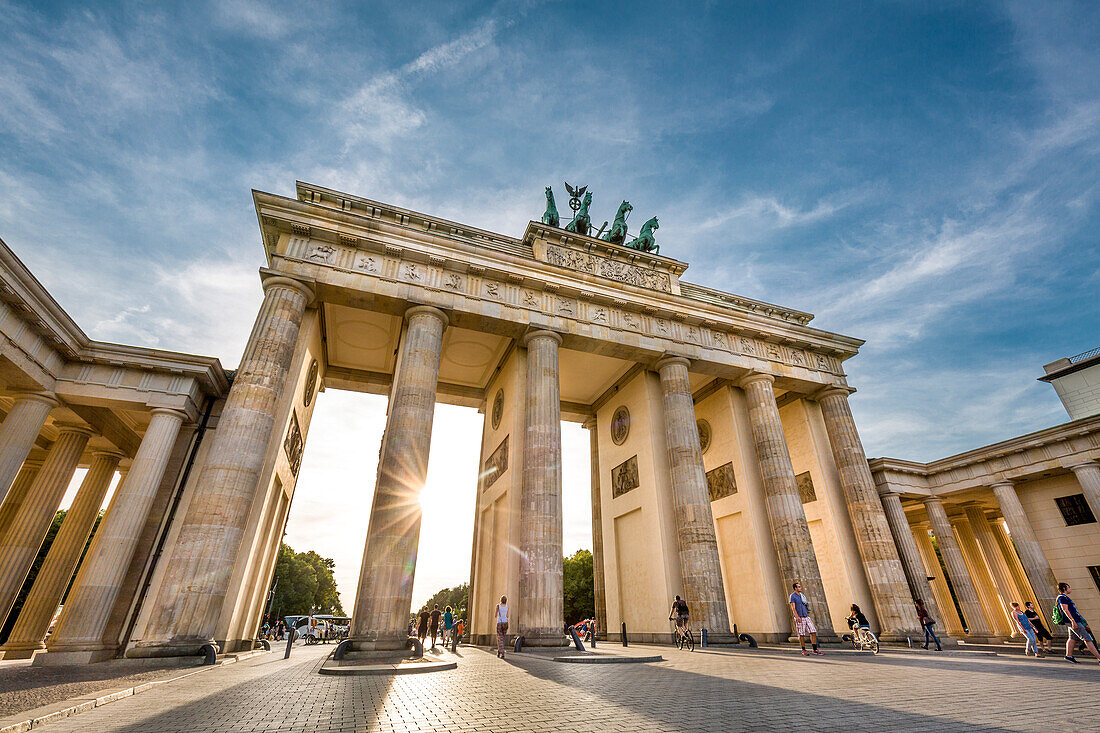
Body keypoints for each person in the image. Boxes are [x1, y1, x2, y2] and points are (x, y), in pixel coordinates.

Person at [1056, 582, 1100, 664]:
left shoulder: (1064, 597)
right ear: (1065, 588)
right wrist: (1073, 621)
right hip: (1073, 621)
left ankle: (1069, 656)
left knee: (1072, 638)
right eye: (1069, 587)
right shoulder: (1062, 598)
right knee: (1087, 639)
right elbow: (1065, 610)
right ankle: (1099, 657)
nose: (1070, 589)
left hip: (1073, 621)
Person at [789, 582, 824, 656]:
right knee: (801, 634)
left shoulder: (802, 596)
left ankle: (815, 649)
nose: (800, 588)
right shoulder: (792, 596)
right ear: (795, 588)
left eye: (800, 587)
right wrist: (797, 617)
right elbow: (793, 608)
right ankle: (803, 650)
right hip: (799, 617)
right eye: (798, 587)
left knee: (813, 631)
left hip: (806, 616)